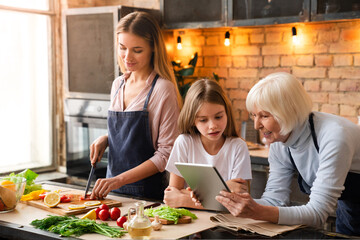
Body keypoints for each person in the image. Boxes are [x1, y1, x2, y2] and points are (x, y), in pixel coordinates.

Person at [212, 72, 360, 236]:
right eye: (254, 115)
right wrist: (231, 202)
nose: (256, 125)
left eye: (264, 116)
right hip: (350, 211)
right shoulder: (279, 141)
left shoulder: (334, 136)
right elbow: (274, 201)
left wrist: (256, 211)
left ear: (289, 112)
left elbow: (318, 214)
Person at [89, 11, 181, 201]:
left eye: (137, 50)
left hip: (147, 197)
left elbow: (166, 155)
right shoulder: (118, 85)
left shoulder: (162, 89)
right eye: (122, 48)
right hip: (112, 193)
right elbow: (127, 135)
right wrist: (106, 139)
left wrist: (119, 180)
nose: (127, 57)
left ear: (153, 48)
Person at [164, 79, 252, 209]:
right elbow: (171, 198)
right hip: (192, 223)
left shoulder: (238, 146)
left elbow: (238, 203)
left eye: (218, 117)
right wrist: (225, 189)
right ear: (193, 120)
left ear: (226, 113)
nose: (213, 126)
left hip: (227, 224)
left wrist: (186, 199)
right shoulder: (184, 143)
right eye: (203, 120)